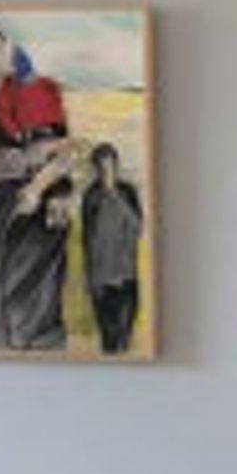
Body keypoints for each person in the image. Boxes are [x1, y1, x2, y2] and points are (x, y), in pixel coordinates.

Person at [0, 25, 80, 352]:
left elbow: (66, 151)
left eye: (0, 47)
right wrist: (33, 158)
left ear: (11, 48)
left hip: (43, 206)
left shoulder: (40, 91)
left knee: (41, 307)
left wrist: (42, 183)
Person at [80, 142, 143, 354]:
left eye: (109, 166)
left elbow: (137, 226)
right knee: (108, 342)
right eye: (101, 167)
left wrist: (113, 194)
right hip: (101, 281)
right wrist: (89, 279)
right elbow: (87, 239)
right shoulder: (90, 196)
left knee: (125, 338)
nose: (105, 171)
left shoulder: (127, 192)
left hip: (126, 277)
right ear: (95, 169)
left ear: (116, 166)